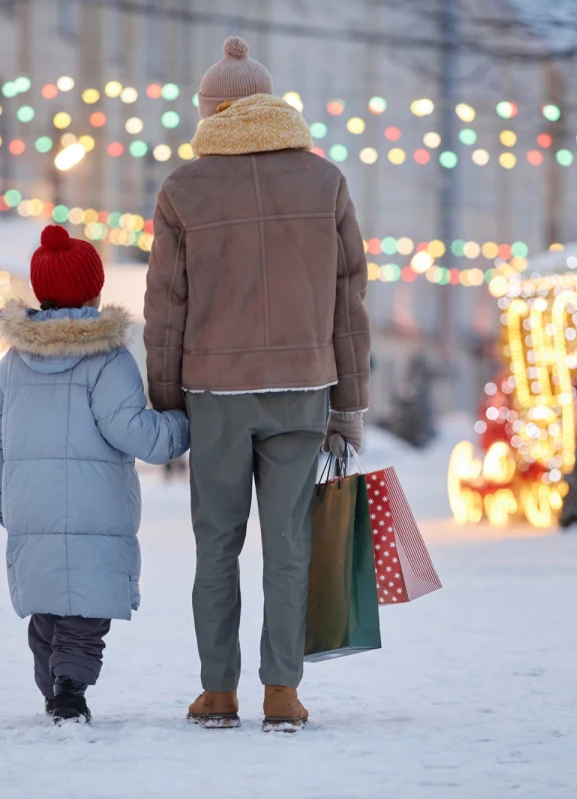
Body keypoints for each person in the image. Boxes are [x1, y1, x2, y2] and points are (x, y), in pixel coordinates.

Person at [143, 36, 371, 732]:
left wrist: (165, 393)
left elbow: (165, 303)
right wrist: (350, 399)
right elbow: (348, 297)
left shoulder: (183, 188)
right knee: (290, 544)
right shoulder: (325, 180)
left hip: (216, 391)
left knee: (216, 543)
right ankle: (282, 691)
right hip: (302, 384)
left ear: (212, 111)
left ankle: (217, 690)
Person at [0, 224, 190, 724]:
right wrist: (185, 423)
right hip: (96, 507)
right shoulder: (106, 358)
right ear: (95, 291)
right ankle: (69, 689)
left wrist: (0, 500)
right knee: (84, 613)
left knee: (48, 609)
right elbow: (135, 432)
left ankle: (54, 686)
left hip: (30, 506)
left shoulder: (12, 364)